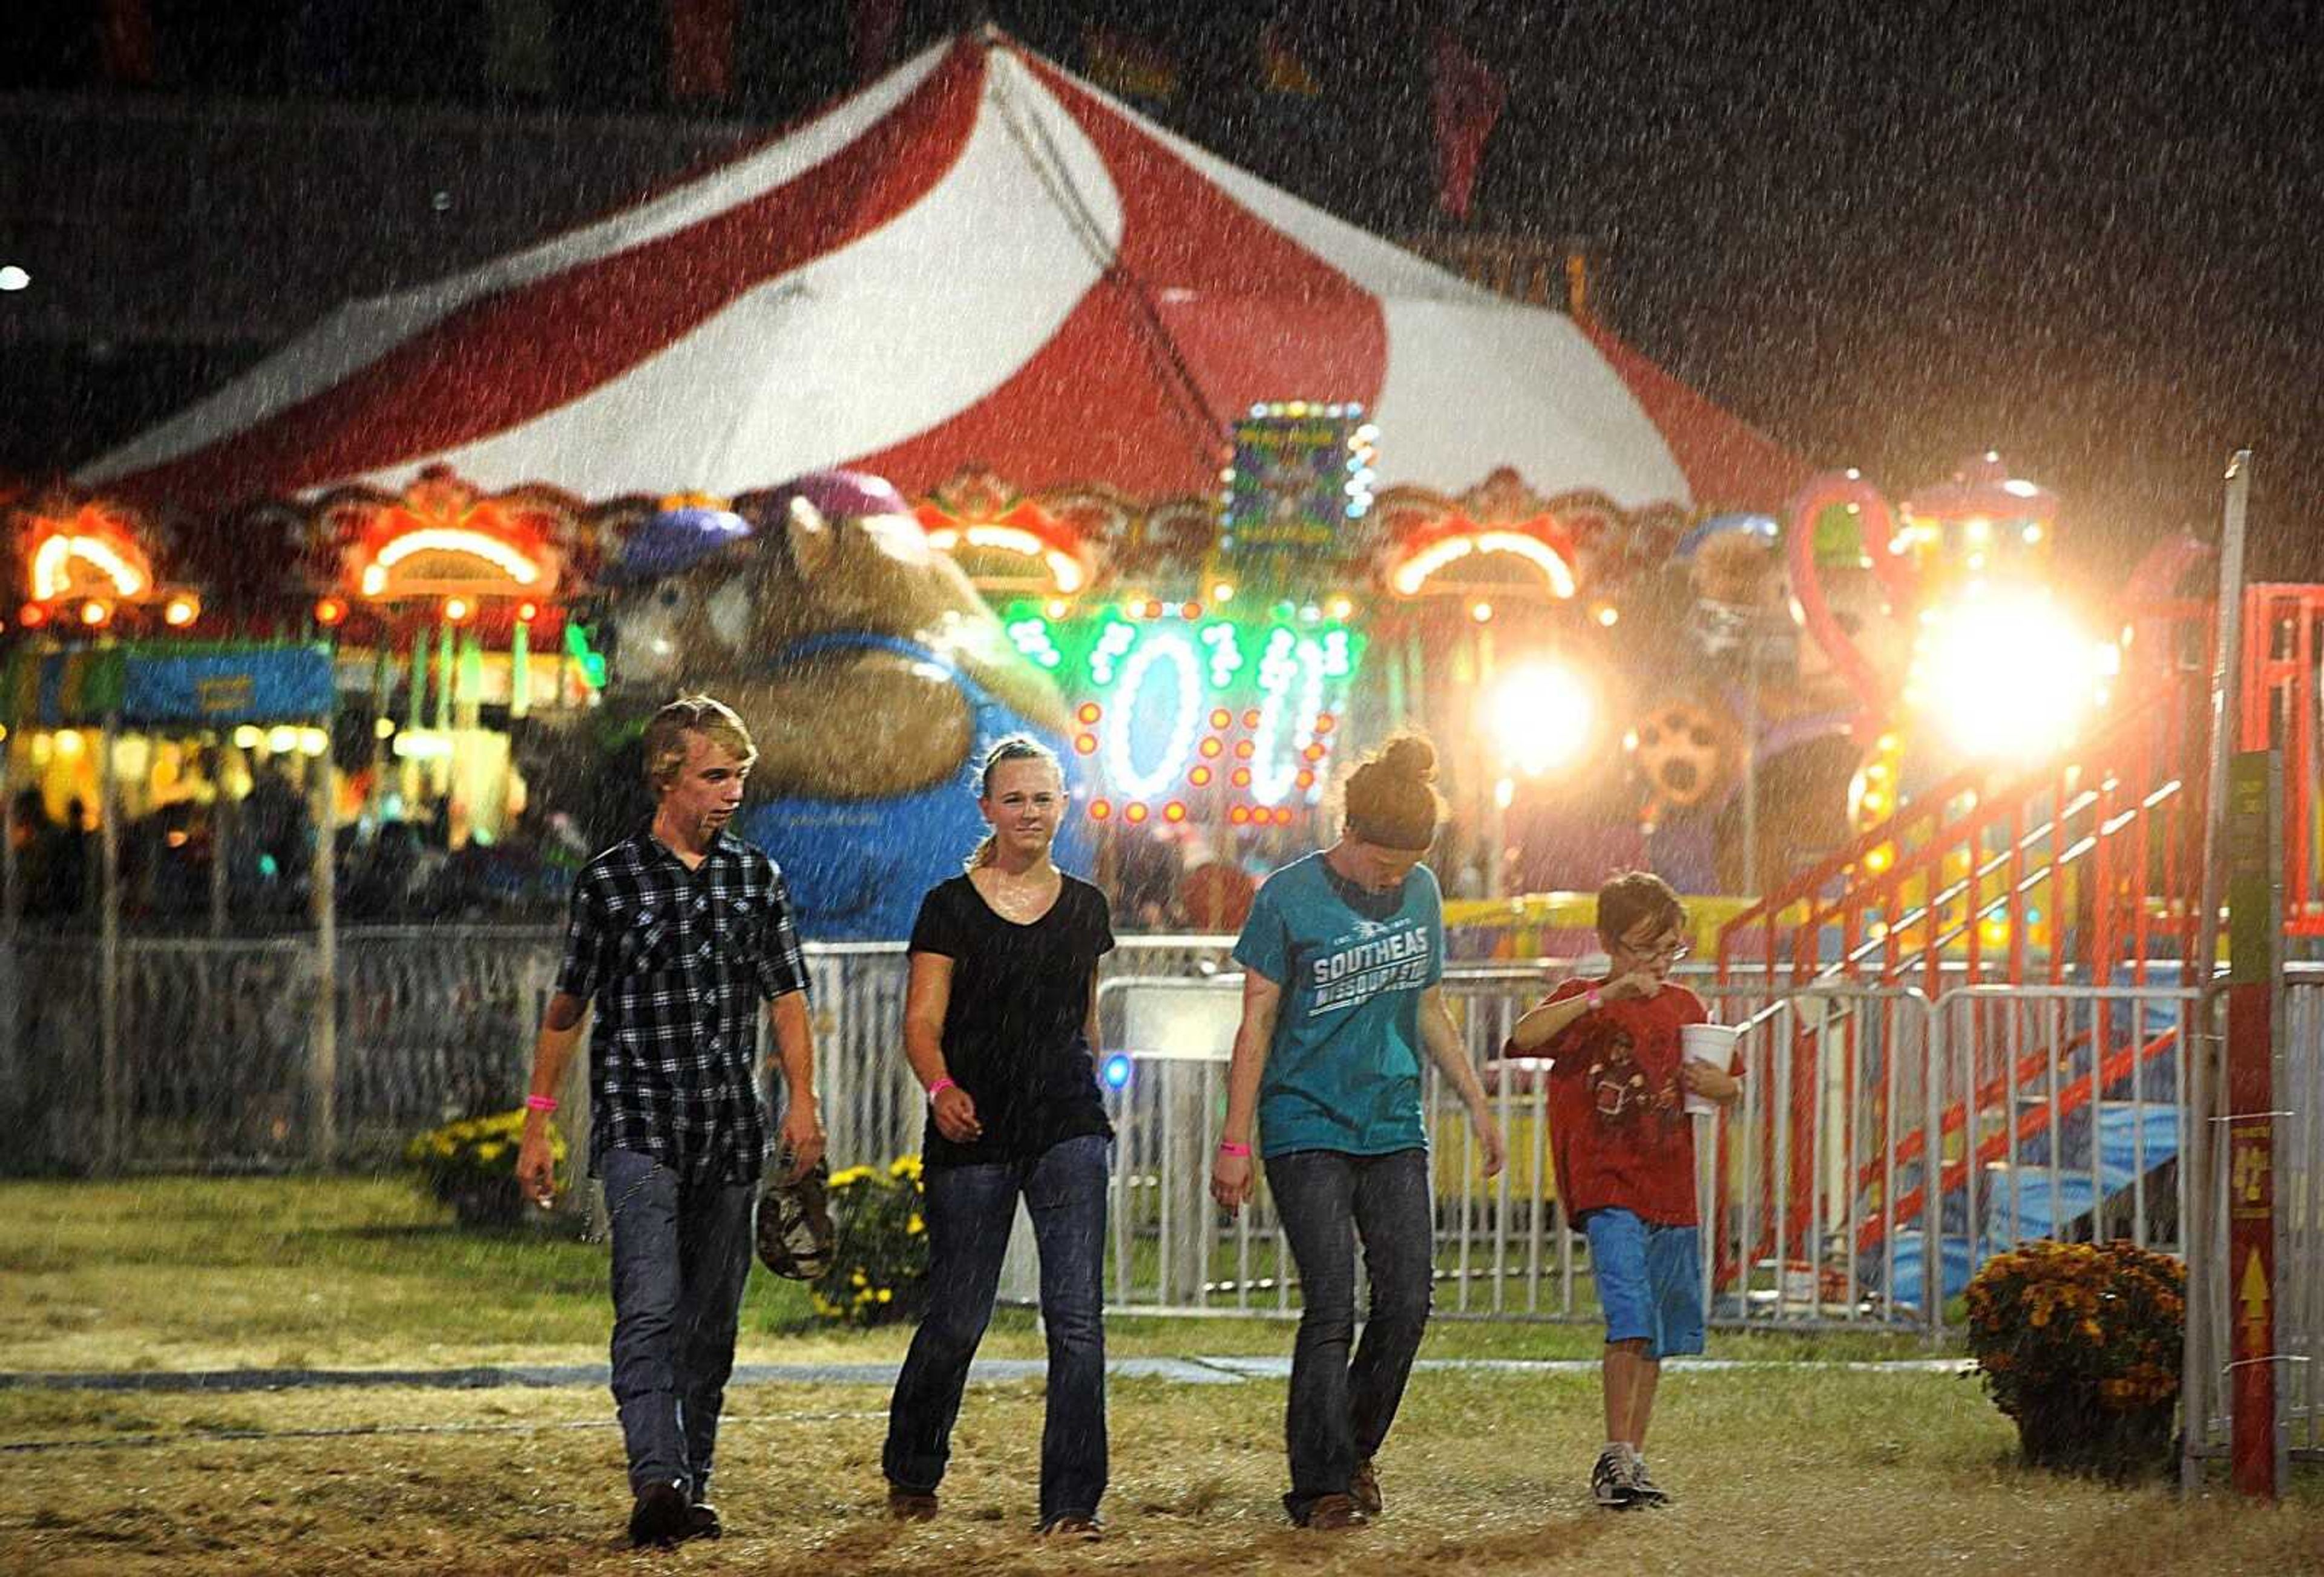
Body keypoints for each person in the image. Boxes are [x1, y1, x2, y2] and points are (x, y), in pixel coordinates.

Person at [514, 694, 825, 1549]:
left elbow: (788, 997)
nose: (732, 791)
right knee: (650, 1303)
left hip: (729, 1128)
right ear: (667, 777)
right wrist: (538, 1121)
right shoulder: (611, 882)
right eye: (715, 775)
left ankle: (693, 1478)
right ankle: (657, 1477)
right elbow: (567, 1008)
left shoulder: (755, 877)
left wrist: (803, 1100)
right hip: (640, 1123)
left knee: (712, 1321)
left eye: (740, 775)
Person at [1209, 732, 1507, 1530]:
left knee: (1408, 1300)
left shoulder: (1421, 892)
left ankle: (1354, 1445)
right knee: (1331, 1304)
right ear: (1351, 833)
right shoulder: (1286, 896)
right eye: (1385, 861)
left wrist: (1477, 1102)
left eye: (1411, 862)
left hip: (1392, 1119)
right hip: (1304, 1119)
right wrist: (1236, 1139)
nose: (1396, 876)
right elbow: (1257, 1023)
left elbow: (1428, 1004)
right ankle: (1322, 1486)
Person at [882, 735, 1116, 1541]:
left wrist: (1095, 1087)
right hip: (973, 1125)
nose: (1030, 812)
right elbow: (921, 1021)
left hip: (1067, 1124)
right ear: (987, 809)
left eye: (1043, 798)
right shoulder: (948, 904)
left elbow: (1085, 1017)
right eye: (1014, 799)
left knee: (1077, 1319)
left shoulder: (1087, 906)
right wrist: (941, 1088)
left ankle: (1072, 1502)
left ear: (1062, 805)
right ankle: (913, 1464)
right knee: (957, 1314)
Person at [1501, 870, 1741, 1510]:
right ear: (1609, 941)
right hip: (1607, 1184)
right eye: (1644, 948)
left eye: (1670, 949)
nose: (1658, 963)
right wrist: (1604, 995)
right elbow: (1524, 1035)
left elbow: (1730, 1085)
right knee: (1629, 1314)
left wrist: (1723, 1087)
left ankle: (1633, 1456)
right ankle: (1614, 1452)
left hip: (1671, 1184)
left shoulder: (1689, 1007)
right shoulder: (1585, 998)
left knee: (1658, 1329)